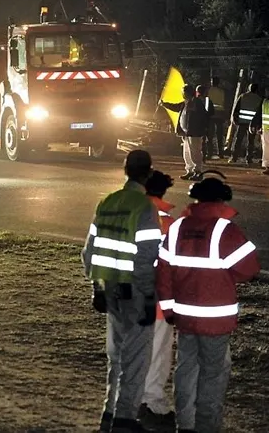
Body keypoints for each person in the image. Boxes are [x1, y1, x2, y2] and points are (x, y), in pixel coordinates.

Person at [157, 172, 260, 433]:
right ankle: (206, 426)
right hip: (216, 319)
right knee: (213, 374)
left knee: (186, 370)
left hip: (184, 317)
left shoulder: (177, 228)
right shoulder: (225, 230)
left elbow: (163, 274)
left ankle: (185, 425)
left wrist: (168, 309)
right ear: (221, 201)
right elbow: (249, 269)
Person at [81, 150, 162, 433]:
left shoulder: (107, 202)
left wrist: (96, 287)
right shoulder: (145, 207)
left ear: (125, 170)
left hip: (110, 290)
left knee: (115, 357)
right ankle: (125, 419)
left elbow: (89, 252)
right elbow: (147, 256)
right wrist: (149, 295)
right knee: (136, 358)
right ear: (148, 174)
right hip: (136, 291)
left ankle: (109, 413)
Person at [138, 171, 177, 430]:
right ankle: (152, 405)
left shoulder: (127, 216)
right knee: (158, 353)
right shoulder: (168, 224)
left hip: (127, 299)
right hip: (158, 301)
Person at [160, 84, 214, 181]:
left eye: (183, 92)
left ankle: (197, 171)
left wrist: (202, 129)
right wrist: (164, 104)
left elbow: (203, 116)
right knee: (187, 153)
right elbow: (176, 107)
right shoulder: (187, 102)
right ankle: (190, 171)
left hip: (194, 132)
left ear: (187, 92)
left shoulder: (196, 102)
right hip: (186, 133)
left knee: (195, 152)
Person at [227, 83, 261, 165]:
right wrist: (258, 124)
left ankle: (234, 157)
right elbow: (259, 113)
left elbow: (236, 108)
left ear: (249, 88)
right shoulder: (259, 99)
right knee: (251, 141)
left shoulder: (243, 96)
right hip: (252, 124)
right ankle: (249, 159)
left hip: (242, 122)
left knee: (238, 140)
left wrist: (235, 119)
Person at [249, 86, 269, 175]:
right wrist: (253, 124)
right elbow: (258, 114)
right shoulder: (265, 102)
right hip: (266, 129)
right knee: (266, 149)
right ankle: (268, 167)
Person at [205, 77, 227, 159]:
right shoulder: (222, 91)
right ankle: (220, 153)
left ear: (212, 82)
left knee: (210, 135)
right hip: (220, 114)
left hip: (210, 114)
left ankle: (209, 153)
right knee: (219, 135)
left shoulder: (208, 91)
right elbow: (224, 102)